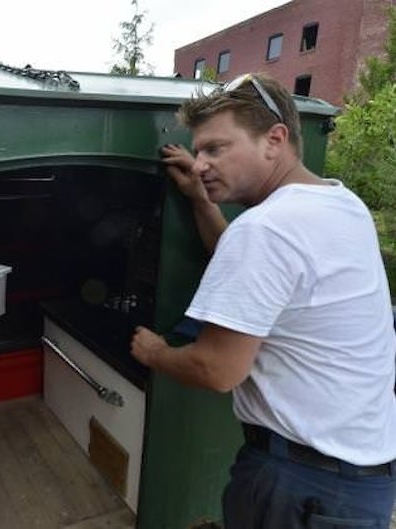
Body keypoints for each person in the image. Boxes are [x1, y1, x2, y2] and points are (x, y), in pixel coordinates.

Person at [130, 73, 396, 528]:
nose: (198, 165)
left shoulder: (267, 229)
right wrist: (200, 203)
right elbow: (259, 274)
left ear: (275, 139)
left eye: (216, 148)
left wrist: (156, 352)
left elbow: (217, 369)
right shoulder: (340, 202)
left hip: (299, 484)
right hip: (364, 482)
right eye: (198, 151)